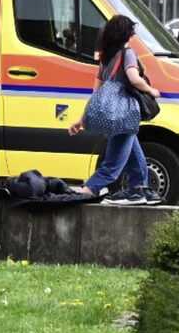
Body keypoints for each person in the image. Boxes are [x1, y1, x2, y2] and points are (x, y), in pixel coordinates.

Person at [69, 15, 163, 205]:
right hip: (124, 114)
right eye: (131, 31)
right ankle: (89, 189)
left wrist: (81, 120)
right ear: (125, 33)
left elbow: (96, 93)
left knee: (135, 154)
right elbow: (134, 78)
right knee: (113, 164)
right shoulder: (127, 53)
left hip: (111, 115)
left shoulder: (105, 57)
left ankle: (139, 189)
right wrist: (151, 90)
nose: (133, 34)